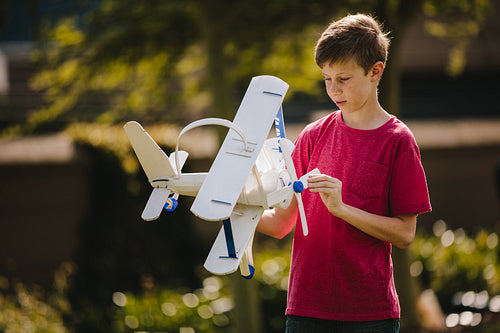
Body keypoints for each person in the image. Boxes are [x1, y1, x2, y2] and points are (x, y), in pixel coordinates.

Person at [257, 13, 431, 333]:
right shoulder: (311, 136)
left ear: (375, 71)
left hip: (369, 315)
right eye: (327, 79)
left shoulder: (398, 141)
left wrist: (341, 209)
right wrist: (237, 209)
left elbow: (405, 234)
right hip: (306, 309)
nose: (333, 89)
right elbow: (283, 223)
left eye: (344, 79)